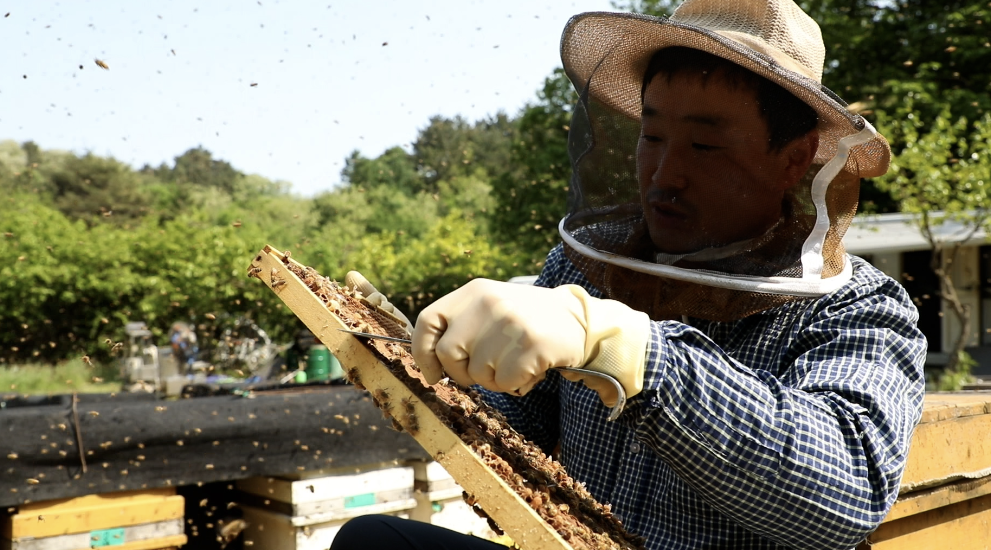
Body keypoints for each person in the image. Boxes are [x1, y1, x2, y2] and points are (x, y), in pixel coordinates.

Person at [333, 1, 927, 548]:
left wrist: (629, 351)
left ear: (793, 159)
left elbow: (847, 489)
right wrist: (426, 365)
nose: (664, 175)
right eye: (652, 135)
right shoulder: (588, 268)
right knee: (374, 542)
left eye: (704, 145)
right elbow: (514, 430)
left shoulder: (857, 308)